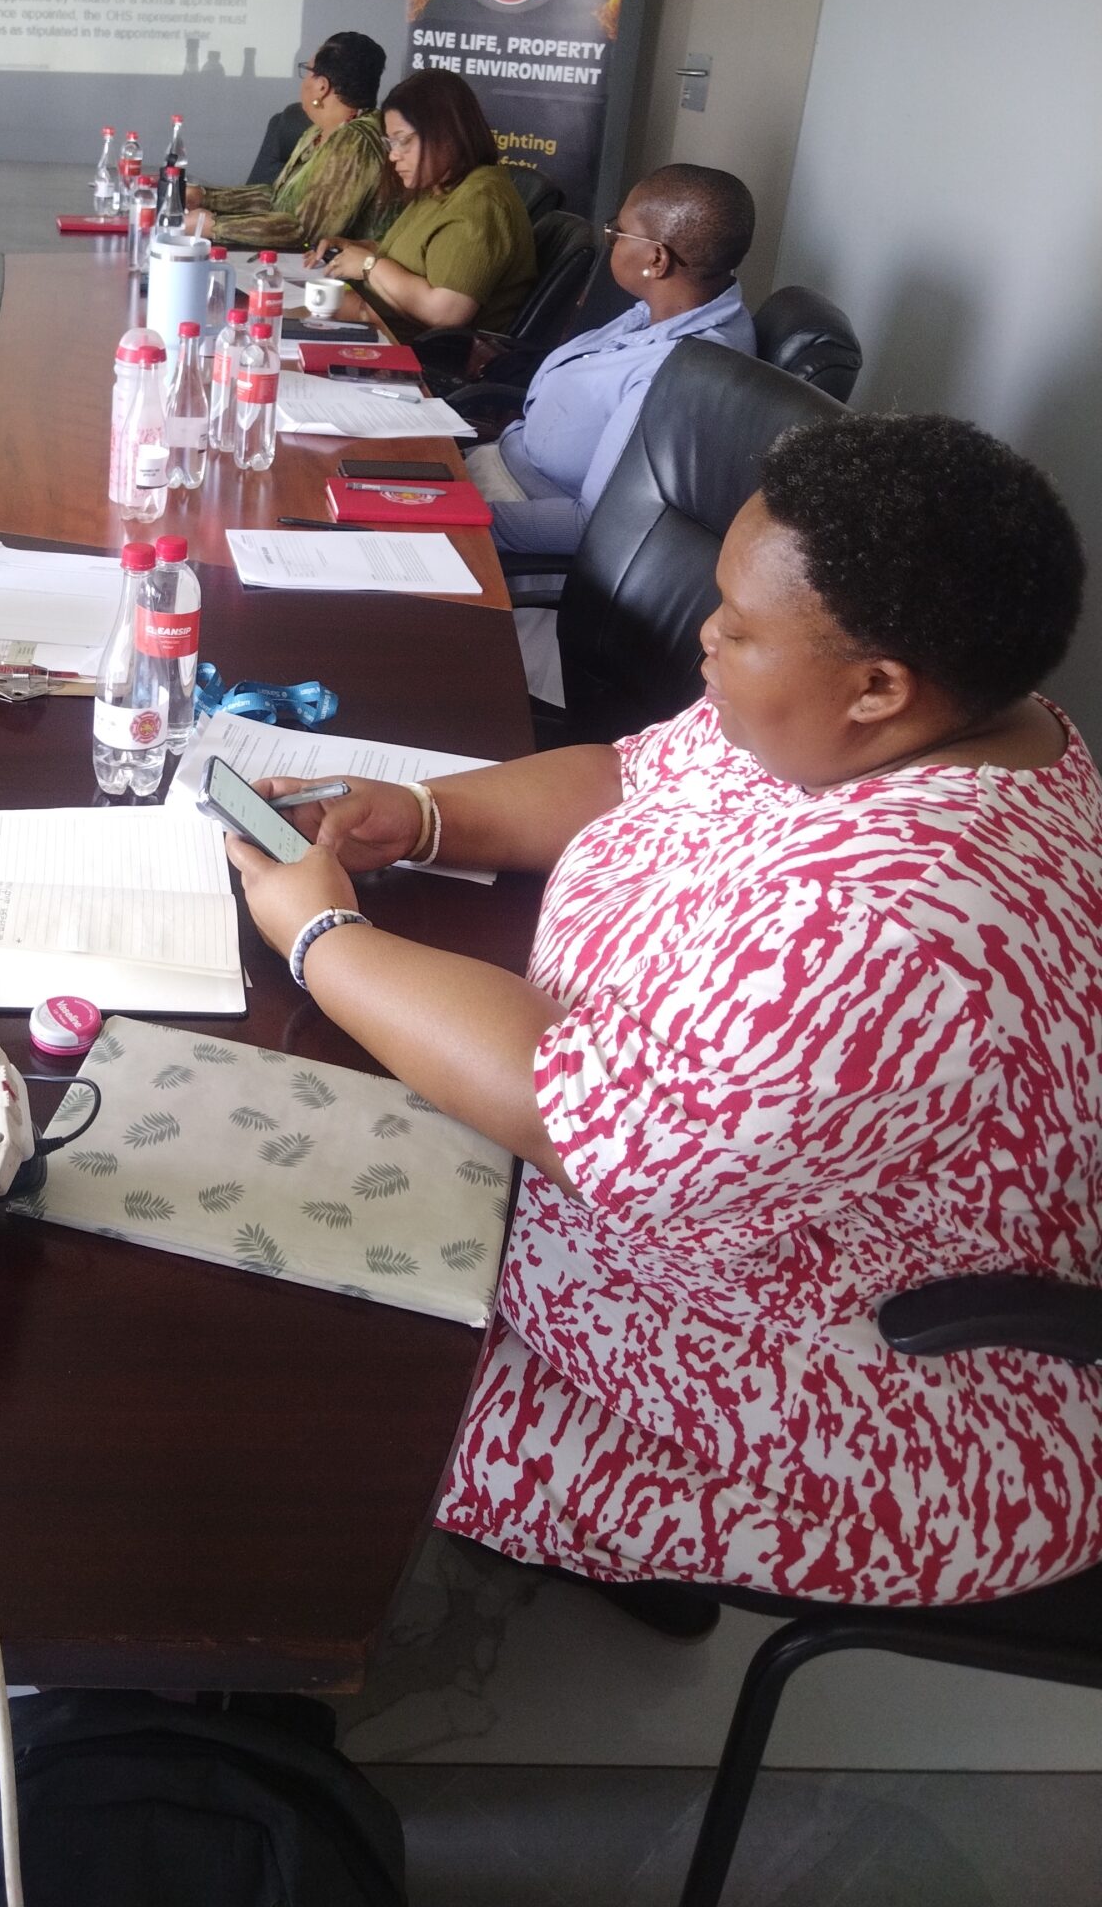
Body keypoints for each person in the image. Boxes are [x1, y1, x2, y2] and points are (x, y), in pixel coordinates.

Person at [224, 413, 1102, 1610]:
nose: (707, 635)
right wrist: (425, 817)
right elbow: (631, 776)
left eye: (737, 624)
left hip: (848, 1384)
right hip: (672, 1184)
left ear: (878, 686)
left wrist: (325, 938)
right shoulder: (895, 719)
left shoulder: (897, 928)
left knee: (302, 1385)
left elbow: (583, 1117)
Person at [469, 164, 757, 559]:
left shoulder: (676, 374)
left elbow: (591, 524)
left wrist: (457, 520)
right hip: (500, 467)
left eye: (618, 232)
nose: (612, 241)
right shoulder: (663, 312)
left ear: (657, 259)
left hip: (516, 525)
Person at [309, 70, 534, 341]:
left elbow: (446, 313)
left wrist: (368, 266)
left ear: (447, 133)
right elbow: (418, 259)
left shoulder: (481, 203)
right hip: (384, 329)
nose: (393, 155)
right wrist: (357, 249)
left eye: (403, 140)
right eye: (390, 143)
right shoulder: (439, 188)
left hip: (422, 356)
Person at [188, 32, 399, 253]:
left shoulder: (356, 141)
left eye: (307, 71)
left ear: (322, 86)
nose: (304, 80)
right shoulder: (317, 132)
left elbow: (306, 232)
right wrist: (204, 196)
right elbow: (275, 199)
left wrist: (214, 226)